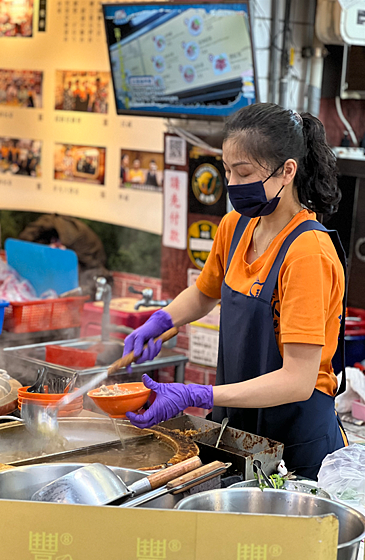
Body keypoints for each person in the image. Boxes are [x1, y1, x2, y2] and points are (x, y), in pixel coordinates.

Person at [123, 102, 348, 480]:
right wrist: (160, 321)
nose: (232, 184)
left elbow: (297, 379)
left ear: (287, 171)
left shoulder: (308, 253)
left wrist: (199, 395)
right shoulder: (236, 226)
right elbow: (204, 292)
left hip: (296, 438)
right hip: (240, 426)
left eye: (243, 172)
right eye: (228, 170)